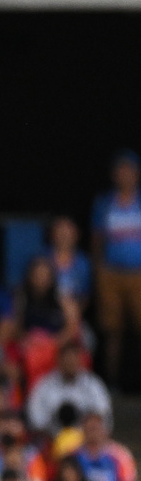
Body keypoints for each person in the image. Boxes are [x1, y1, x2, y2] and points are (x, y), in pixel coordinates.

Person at [91, 149, 141, 388]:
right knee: (112, 333)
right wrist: (99, 269)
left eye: (129, 170)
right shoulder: (104, 204)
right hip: (111, 274)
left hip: (139, 274)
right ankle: (112, 384)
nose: (125, 175)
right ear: (114, 175)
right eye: (120, 170)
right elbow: (97, 239)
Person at [26, 342, 112, 436]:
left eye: (73, 358)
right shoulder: (44, 385)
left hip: (85, 442)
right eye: (67, 358)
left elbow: (104, 416)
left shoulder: (93, 384)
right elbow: (35, 420)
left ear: (80, 360)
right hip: (52, 440)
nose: (70, 362)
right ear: (59, 360)